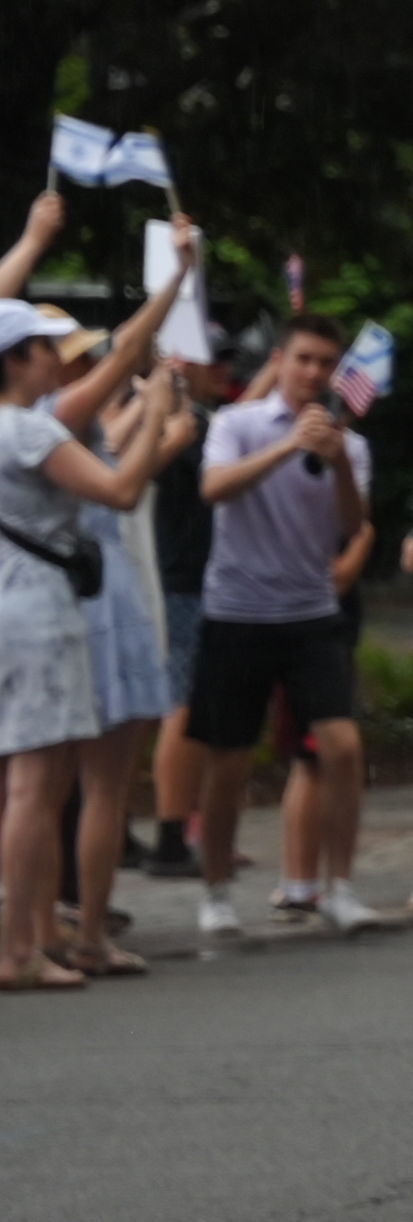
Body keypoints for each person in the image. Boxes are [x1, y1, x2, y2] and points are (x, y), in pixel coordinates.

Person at [1, 286, 190, 992]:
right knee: (33, 786)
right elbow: (117, 492)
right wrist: (154, 426)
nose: (56, 358)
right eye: (45, 346)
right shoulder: (32, 431)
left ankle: (29, 937)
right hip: (40, 616)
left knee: (28, 786)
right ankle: (19, 949)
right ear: (17, 359)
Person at [187, 310, 386, 940]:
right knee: (229, 761)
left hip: (311, 613)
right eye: (303, 359)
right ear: (279, 361)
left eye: (326, 364)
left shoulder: (348, 443)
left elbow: (351, 526)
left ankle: (342, 886)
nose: (313, 373)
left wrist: (339, 463)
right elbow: (214, 488)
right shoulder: (235, 423)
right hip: (237, 613)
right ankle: (216, 890)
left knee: (343, 747)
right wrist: (287, 447)